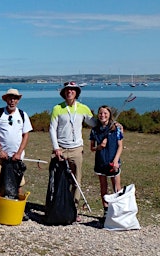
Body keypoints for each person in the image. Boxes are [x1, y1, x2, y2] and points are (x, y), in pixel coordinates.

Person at [49, 81, 96, 222]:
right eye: (67, 90)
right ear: (64, 93)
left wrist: (111, 124)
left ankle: (73, 209)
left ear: (76, 93)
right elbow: (52, 129)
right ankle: (56, 207)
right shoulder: (57, 108)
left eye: (73, 90)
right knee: (58, 179)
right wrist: (56, 148)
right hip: (61, 149)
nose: (70, 92)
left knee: (76, 180)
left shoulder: (83, 108)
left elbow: (94, 123)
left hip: (76, 149)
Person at [0, 89, 33, 198]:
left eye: (15, 98)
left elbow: (26, 135)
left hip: (16, 157)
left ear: (18, 100)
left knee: (18, 184)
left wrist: (18, 153)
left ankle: (17, 210)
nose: (12, 101)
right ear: (6, 99)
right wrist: (0, 150)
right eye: (10, 98)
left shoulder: (23, 115)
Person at [89, 105, 123, 222]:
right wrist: (100, 146)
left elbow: (120, 146)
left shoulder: (116, 128)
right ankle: (106, 211)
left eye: (105, 113)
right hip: (100, 162)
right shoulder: (94, 130)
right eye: (100, 113)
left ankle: (119, 211)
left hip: (113, 162)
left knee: (117, 187)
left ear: (109, 114)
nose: (102, 115)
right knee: (103, 187)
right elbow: (92, 148)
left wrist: (115, 160)